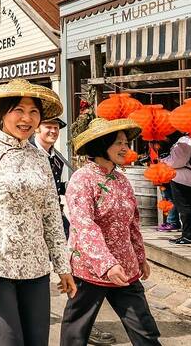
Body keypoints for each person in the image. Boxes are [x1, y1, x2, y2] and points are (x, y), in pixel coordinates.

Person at [0, 78, 76, 346]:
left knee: (38, 341)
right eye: (19, 110)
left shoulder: (41, 158)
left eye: (34, 112)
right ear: (3, 114)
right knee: (9, 341)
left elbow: (51, 215)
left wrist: (63, 266)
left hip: (36, 268)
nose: (27, 119)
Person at [60, 117, 161, 346]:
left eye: (126, 142)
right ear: (100, 146)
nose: (125, 148)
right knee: (76, 332)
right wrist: (106, 263)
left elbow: (132, 223)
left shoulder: (122, 180)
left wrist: (140, 257)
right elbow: (84, 224)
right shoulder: (82, 179)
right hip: (89, 269)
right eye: (118, 143)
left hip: (125, 267)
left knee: (144, 327)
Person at [30, 117, 117, 346]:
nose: (53, 131)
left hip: (56, 218)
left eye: (56, 128)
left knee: (73, 266)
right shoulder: (29, 153)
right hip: (32, 223)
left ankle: (83, 324)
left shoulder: (56, 158)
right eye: (48, 126)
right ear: (37, 128)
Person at [162, 134, 191, 246]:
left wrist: (163, 160)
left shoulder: (185, 141)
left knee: (184, 207)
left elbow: (177, 161)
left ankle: (188, 236)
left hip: (182, 178)